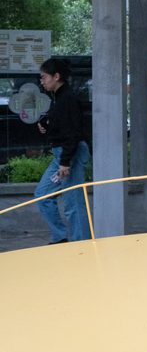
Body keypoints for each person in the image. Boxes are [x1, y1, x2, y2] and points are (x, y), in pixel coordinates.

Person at [34, 57, 92, 243]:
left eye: (44, 77)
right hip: (63, 155)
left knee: (73, 202)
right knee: (43, 195)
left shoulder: (67, 99)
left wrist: (65, 162)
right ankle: (60, 237)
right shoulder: (59, 98)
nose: (41, 81)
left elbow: (73, 133)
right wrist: (45, 123)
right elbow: (62, 125)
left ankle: (81, 245)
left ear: (56, 76)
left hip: (69, 155)